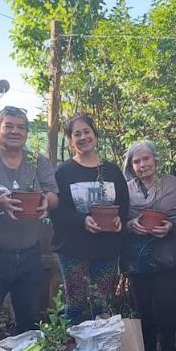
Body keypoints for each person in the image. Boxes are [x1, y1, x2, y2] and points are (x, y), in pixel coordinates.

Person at [0, 106, 58, 351]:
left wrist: (48, 201)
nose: (15, 131)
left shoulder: (37, 162)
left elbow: (53, 193)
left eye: (21, 127)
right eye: (9, 126)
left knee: (28, 320)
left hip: (29, 253)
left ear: (27, 132)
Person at [122, 140, 176, 351]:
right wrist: (131, 224)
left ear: (155, 160)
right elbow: (118, 222)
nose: (142, 165)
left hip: (168, 258)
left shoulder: (172, 184)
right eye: (137, 161)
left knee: (165, 307)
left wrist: (171, 226)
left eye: (146, 159)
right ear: (131, 166)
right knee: (143, 310)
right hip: (138, 260)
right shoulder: (126, 190)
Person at [51, 115, 129, 324]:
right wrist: (82, 220)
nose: (83, 137)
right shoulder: (63, 172)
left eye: (87, 132)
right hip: (73, 249)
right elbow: (57, 211)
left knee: (102, 304)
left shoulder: (111, 170)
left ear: (95, 135)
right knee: (75, 303)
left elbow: (124, 204)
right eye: (77, 134)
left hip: (106, 248)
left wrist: (120, 220)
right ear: (70, 140)